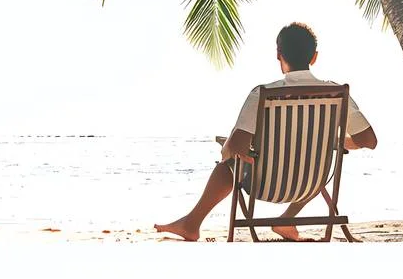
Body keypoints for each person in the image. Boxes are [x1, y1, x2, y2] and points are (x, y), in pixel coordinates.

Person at [154, 22, 377, 242]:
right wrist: (333, 142)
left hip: (264, 186)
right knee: (314, 162)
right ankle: (287, 220)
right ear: (314, 57)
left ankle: (192, 224)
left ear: (278, 54)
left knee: (227, 167)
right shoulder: (335, 93)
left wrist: (227, 147)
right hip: (310, 183)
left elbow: (237, 147)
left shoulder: (263, 94)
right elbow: (368, 140)